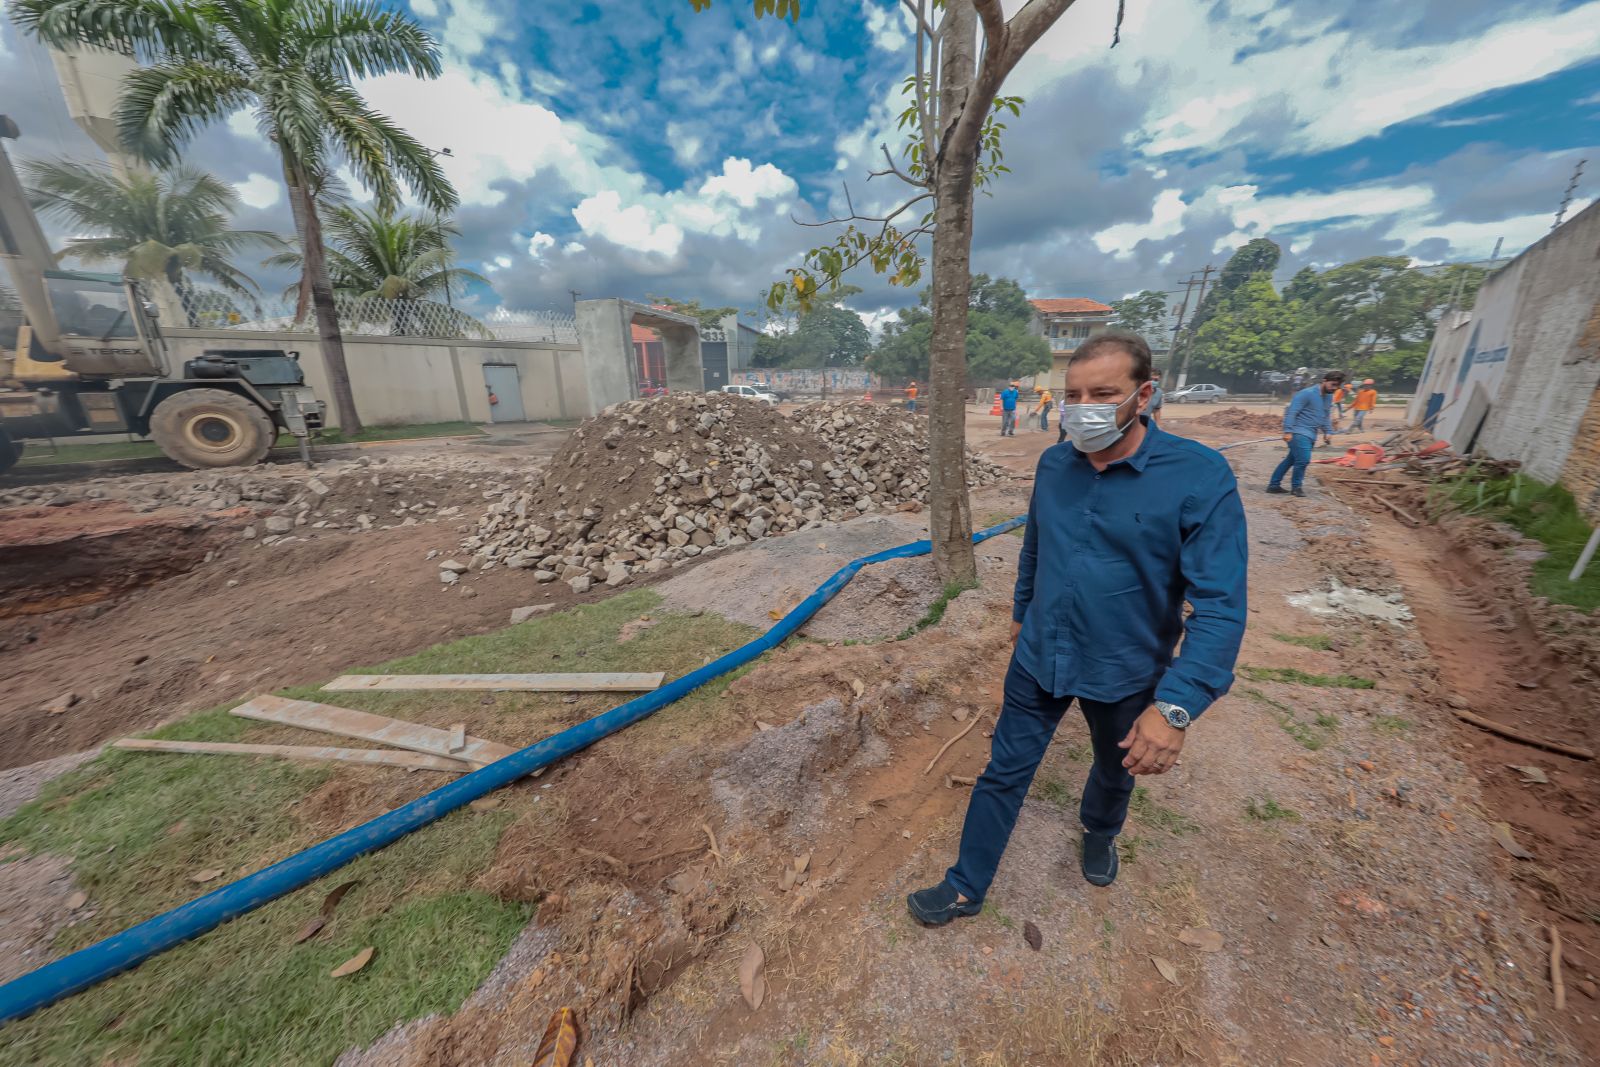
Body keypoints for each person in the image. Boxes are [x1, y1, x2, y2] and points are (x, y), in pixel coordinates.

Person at [906, 331, 1248, 924]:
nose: (1083, 407)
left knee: (1115, 768)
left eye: (1103, 393)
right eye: (1073, 394)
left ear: (1144, 396)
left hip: (1127, 666)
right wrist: (1019, 613)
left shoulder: (1198, 477)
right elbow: (1036, 546)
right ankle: (966, 885)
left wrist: (1175, 708)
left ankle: (1099, 830)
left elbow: (1220, 604)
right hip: (1041, 654)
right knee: (1004, 770)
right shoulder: (1054, 464)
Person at [1268, 371, 1344, 498]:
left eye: (1337, 386)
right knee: (1303, 460)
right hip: (1299, 432)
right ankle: (1296, 487)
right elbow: (1292, 412)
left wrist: (1328, 431)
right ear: (1324, 380)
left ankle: (1273, 485)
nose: (1334, 388)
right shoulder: (1306, 394)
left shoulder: (1329, 396)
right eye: (1333, 384)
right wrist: (1288, 430)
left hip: (1311, 434)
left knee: (1290, 460)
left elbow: (1325, 415)